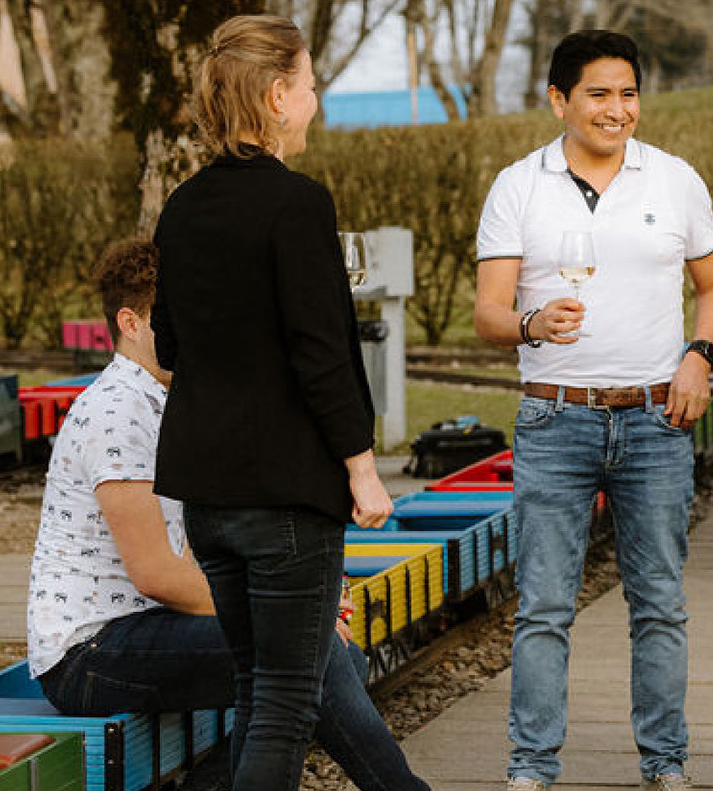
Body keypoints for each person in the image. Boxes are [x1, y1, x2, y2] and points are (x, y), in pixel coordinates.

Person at [28, 237, 426, 791]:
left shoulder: (178, 404)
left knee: (330, 660)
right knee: (310, 659)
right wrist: (294, 618)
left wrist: (302, 600)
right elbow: (156, 574)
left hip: (153, 628)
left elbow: (208, 546)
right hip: (91, 653)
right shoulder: (116, 412)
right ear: (131, 323)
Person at [472, 30, 713, 791]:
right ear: (559, 100)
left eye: (628, 93)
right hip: (555, 420)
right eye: (599, 94)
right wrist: (528, 324)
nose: (617, 110)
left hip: (657, 422)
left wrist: (699, 358)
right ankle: (531, 770)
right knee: (545, 606)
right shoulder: (518, 186)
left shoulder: (675, 180)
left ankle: (664, 765)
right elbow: (489, 312)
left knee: (659, 604)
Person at [151, 14, 400, 791]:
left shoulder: (182, 207)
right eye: (313, 84)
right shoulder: (298, 204)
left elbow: (167, 346)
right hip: (288, 497)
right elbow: (322, 353)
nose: (318, 99)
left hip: (208, 498)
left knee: (257, 688)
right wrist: (361, 469)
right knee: (286, 700)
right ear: (276, 96)